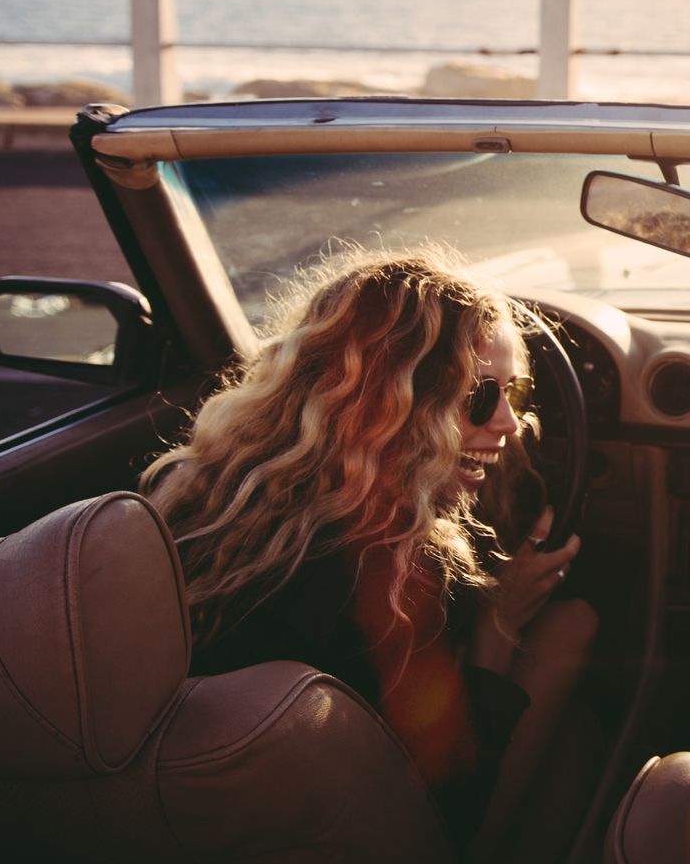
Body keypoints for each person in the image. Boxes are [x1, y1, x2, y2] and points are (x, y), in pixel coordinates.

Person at [140, 251, 598, 854]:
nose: (510, 424)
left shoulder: (201, 501)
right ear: (390, 404)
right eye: (479, 396)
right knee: (574, 634)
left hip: (187, 817)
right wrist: (502, 622)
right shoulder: (381, 569)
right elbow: (452, 809)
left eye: (515, 390)